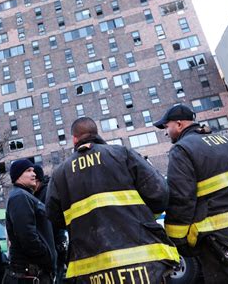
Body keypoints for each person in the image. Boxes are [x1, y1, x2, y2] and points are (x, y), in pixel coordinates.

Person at [46, 117, 179, 283]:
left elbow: (54, 218)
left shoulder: (60, 174)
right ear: (96, 133)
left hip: (91, 272)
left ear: (74, 138)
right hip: (144, 263)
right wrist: (142, 216)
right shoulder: (122, 154)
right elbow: (159, 194)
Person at [154, 104, 228, 283]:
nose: (166, 132)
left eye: (167, 127)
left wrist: (178, 241)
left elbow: (181, 198)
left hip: (221, 244)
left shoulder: (182, 150)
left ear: (179, 124)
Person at [4, 159, 56, 284]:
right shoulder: (19, 196)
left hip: (34, 273)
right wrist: (45, 256)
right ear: (18, 176)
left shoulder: (26, 196)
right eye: (28, 171)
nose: (34, 174)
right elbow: (26, 235)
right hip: (29, 275)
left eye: (33, 170)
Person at [33, 165, 68, 284]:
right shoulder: (40, 192)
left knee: (56, 277)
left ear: (38, 180)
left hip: (54, 241)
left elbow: (53, 218)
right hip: (54, 241)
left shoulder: (46, 193)